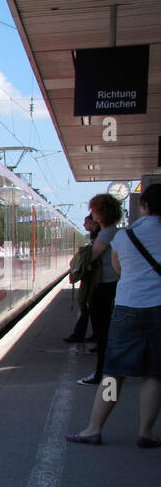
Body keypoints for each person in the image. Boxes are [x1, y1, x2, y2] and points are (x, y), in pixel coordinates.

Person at [67, 182, 161, 447]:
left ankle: (94, 428)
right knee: (154, 375)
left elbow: (119, 271)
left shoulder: (123, 237)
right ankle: (146, 432)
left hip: (128, 309)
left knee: (113, 373)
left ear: (143, 206)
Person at [76, 194, 123, 385]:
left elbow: (90, 258)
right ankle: (106, 372)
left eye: (93, 209)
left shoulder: (106, 234)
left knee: (103, 333)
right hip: (108, 286)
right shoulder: (112, 232)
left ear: (100, 212)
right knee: (104, 332)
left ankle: (103, 375)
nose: (91, 213)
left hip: (104, 288)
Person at [64, 213, 100, 343]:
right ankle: (93, 334)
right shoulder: (96, 237)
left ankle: (81, 334)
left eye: (86, 222)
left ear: (94, 223)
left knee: (86, 305)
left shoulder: (101, 237)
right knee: (88, 307)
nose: (84, 225)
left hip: (94, 279)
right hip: (92, 278)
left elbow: (91, 258)